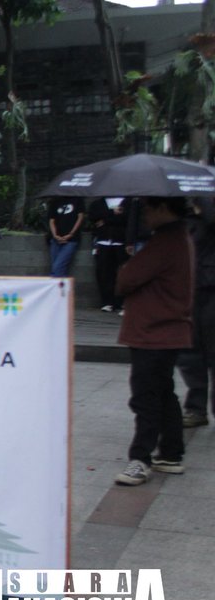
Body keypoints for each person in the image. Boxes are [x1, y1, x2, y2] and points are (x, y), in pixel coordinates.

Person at [112, 197, 194, 486]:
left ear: (163, 208)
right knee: (164, 392)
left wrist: (128, 265)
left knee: (145, 396)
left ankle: (140, 459)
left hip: (153, 331)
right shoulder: (180, 237)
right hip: (168, 331)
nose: (145, 215)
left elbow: (126, 281)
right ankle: (171, 453)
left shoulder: (164, 242)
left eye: (148, 208)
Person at [178, 198, 214, 428]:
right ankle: (196, 407)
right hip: (191, 291)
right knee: (190, 352)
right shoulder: (187, 221)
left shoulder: (209, 217)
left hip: (212, 289)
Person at [89, 198, 128, 312]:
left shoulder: (126, 201)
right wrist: (112, 213)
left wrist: (104, 220)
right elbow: (93, 217)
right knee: (104, 273)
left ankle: (121, 302)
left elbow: (125, 219)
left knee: (121, 273)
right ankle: (107, 302)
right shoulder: (98, 202)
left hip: (120, 242)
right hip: (103, 242)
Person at [47, 196, 85, 278]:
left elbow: (80, 217)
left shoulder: (78, 200)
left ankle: (56, 287)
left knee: (58, 267)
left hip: (71, 240)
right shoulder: (55, 201)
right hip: (56, 239)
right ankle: (61, 288)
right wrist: (55, 235)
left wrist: (71, 233)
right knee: (56, 267)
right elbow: (51, 220)